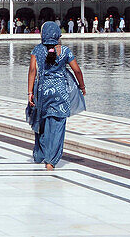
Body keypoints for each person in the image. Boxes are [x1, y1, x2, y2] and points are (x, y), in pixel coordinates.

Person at [26, 22, 86, 170]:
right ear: (58, 35)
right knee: (58, 126)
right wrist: (82, 86)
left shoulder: (37, 50)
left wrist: (30, 92)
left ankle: (42, 154)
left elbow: (32, 71)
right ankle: (51, 161)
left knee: (43, 123)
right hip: (60, 94)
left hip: (42, 92)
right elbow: (77, 70)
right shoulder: (65, 51)